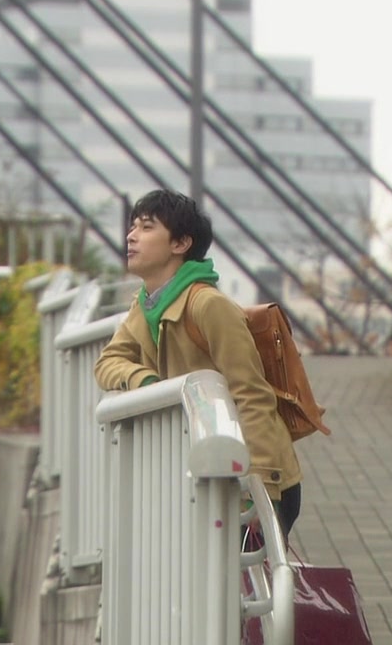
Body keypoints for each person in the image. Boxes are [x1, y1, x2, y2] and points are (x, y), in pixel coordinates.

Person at [94, 189, 303, 535]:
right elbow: (107, 362)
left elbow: (252, 395)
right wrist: (147, 383)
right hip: (207, 470)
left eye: (146, 227)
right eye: (133, 226)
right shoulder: (146, 304)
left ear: (181, 243)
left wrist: (259, 489)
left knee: (232, 570)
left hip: (250, 479)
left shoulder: (208, 306)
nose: (131, 236)